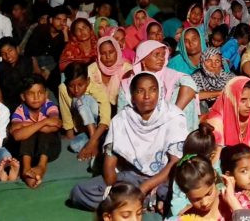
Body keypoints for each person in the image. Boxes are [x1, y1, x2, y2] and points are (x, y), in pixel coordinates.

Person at [69, 72, 186, 212]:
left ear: (159, 92)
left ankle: (132, 204)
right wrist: (114, 189)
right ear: (132, 96)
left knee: (182, 191)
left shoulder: (173, 117)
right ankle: (140, 203)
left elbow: (175, 163)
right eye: (140, 91)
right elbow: (110, 165)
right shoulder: (121, 120)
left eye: (153, 90)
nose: (147, 96)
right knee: (79, 192)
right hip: (131, 178)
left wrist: (144, 188)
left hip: (163, 178)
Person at [121, 41, 199, 131]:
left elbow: (189, 83)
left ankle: (183, 136)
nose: (161, 58)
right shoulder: (129, 82)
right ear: (143, 59)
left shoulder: (168, 74)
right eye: (157, 55)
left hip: (169, 121)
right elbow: (122, 113)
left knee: (183, 93)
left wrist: (172, 115)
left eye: (163, 55)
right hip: (139, 124)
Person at [9, 75, 61, 188]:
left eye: (40, 93)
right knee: (28, 135)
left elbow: (56, 125)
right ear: (23, 96)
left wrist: (25, 125)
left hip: (49, 149)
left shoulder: (49, 105)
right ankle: (26, 169)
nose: (36, 97)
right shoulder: (20, 110)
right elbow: (17, 136)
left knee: (43, 133)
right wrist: (44, 122)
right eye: (31, 93)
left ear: (46, 94)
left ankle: (41, 166)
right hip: (27, 151)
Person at [58, 63, 111, 160]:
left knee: (81, 100)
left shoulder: (97, 88)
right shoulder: (63, 88)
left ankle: (94, 142)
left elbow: (105, 119)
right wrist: (69, 133)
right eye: (71, 86)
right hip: (83, 130)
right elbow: (65, 111)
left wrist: (91, 143)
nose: (76, 90)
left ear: (88, 81)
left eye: (80, 85)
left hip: (99, 128)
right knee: (74, 146)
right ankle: (98, 142)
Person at [166, 123, 222, 217]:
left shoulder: (215, 171)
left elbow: (221, 188)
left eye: (208, 193)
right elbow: (178, 209)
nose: (204, 202)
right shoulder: (184, 175)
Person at [174, 154, 236, 220]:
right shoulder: (187, 219)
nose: (204, 203)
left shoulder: (236, 202)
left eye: (208, 194)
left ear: (214, 176)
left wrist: (234, 203)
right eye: (196, 199)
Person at [24, 5, 70, 92]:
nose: (62, 23)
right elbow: (30, 52)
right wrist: (37, 69)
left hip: (53, 67)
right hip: (34, 63)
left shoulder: (65, 36)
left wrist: (66, 36)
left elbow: (64, 57)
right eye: (58, 19)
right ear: (51, 20)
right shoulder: (40, 29)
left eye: (64, 20)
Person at [0, 37, 38, 111]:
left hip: (29, 99)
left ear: (17, 49)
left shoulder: (29, 61)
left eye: (10, 51)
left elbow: (38, 80)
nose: (8, 56)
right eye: (3, 54)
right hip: (9, 103)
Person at [191, 47, 234, 113]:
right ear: (202, 62)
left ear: (221, 63)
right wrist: (219, 93)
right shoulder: (195, 78)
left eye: (217, 61)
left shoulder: (230, 78)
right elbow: (192, 95)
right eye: (208, 61)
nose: (213, 65)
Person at [92, 36, 130, 109]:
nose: (108, 56)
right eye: (103, 53)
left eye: (111, 52)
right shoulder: (92, 69)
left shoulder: (127, 69)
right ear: (99, 55)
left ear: (117, 51)